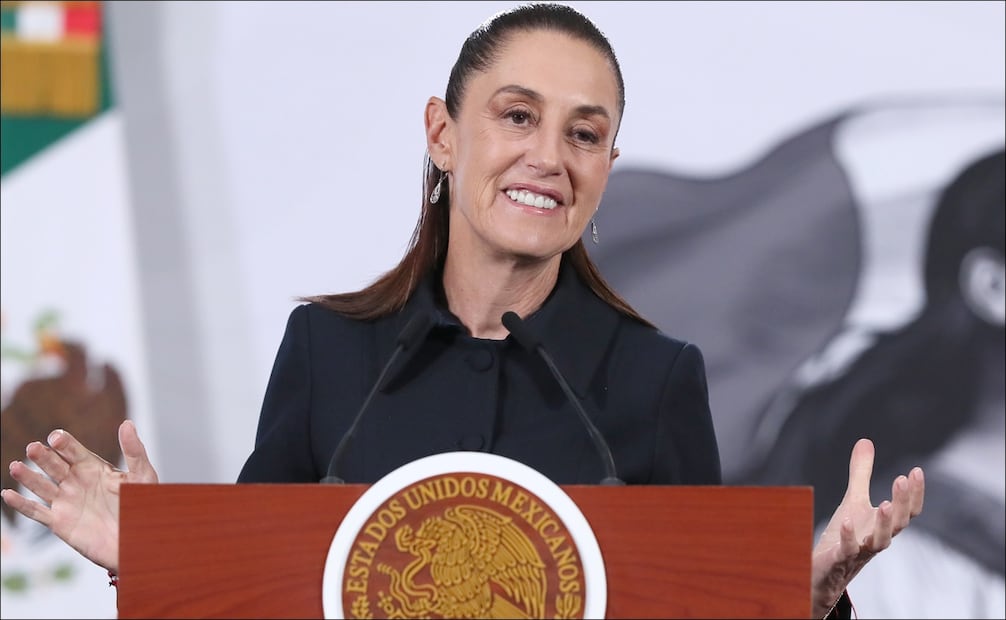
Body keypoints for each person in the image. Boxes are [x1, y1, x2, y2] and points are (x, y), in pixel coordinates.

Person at [0, 3, 924, 618]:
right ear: (444, 134)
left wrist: (805, 598)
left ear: (607, 164)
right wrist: (156, 557)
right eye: (516, 116)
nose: (550, 157)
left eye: (585, 133)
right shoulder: (328, 351)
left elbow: (699, 607)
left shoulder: (655, 377)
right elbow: (262, 596)